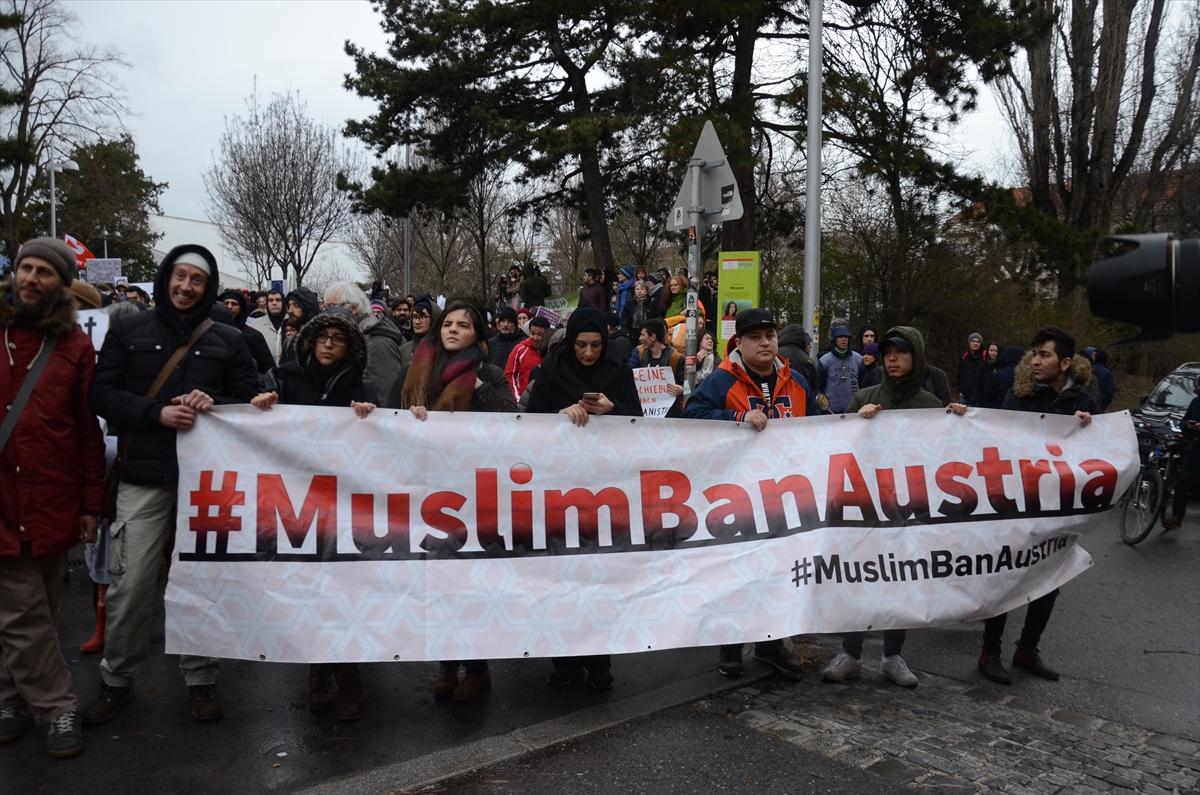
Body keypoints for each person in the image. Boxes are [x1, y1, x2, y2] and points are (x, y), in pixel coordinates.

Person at [86, 245, 260, 726]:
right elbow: (101, 394)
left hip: (206, 484)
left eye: (196, 280)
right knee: (131, 583)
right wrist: (155, 413)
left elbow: (252, 399)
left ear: (208, 287)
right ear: (165, 278)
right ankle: (116, 680)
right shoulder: (128, 330)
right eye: (179, 276)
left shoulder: (230, 338)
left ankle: (201, 678)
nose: (186, 287)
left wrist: (215, 402)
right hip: (143, 476)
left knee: (202, 580)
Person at [0, 237, 106, 758]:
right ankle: (58, 705)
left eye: (44, 271)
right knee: (21, 609)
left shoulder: (73, 346)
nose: (30, 278)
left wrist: (90, 503)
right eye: (26, 267)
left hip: (53, 496)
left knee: (40, 605)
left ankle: (8, 697)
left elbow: (86, 430)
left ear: (62, 285)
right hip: (2, 499)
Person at [821, 327, 967, 689]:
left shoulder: (930, 406)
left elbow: (948, 455)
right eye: (888, 352)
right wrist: (856, 422)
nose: (892, 358)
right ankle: (851, 653)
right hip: (865, 507)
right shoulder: (864, 398)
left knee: (900, 579)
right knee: (858, 577)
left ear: (916, 356)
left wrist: (961, 422)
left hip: (908, 510)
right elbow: (838, 447)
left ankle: (892, 656)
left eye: (901, 352)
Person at [386, 301, 516, 702]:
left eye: (464, 324)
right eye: (448, 324)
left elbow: (514, 419)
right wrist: (406, 418)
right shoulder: (414, 372)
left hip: (472, 493)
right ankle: (445, 663)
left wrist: (478, 389)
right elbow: (386, 422)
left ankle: (476, 667)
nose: (454, 329)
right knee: (436, 582)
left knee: (468, 583)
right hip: (426, 491)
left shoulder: (488, 374)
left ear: (478, 335)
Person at [250, 308, 376, 721]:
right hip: (295, 504)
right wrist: (262, 405)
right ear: (309, 341)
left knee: (341, 591)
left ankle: (349, 677)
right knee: (306, 589)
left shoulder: (361, 388)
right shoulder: (284, 380)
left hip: (344, 505)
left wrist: (372, 417)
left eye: (338, 339)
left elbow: (385, 442)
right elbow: (255, 423)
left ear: (350, 348)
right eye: (322, 337)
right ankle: (318, 671)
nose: (328, 344)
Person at [685, 308, 820, 679]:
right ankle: (731, 646)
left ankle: (770, 644)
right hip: (737, 497)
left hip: (785, 496)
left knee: (776, 572)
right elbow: (691, 417)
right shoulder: (721, 380)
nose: (765, 343)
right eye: (756, 337)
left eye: (770, 335)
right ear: (739, 343)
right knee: (736, 572)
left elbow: (819, 429)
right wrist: (736, 419)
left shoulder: (796, 381)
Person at [525, 307, 641, 691]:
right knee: (561, 578)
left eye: (595, 345)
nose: (588, 353)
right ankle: (565, 661)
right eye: (581, 345)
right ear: (570, 343)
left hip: (604, 489)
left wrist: (613, 411)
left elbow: (640, 425)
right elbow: (528, 424)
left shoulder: (619, 370)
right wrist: (559, 418)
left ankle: (599, 662)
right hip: (560, 489)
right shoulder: (551, 369)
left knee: (599, 578)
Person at [978, 325, 1095, 685]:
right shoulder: (1018, 397)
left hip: (1058, 506)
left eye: (1044, 355)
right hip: (1017, 502)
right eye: (1034, 354)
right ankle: (989, 652)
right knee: (1006, 577)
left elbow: (1095, 455)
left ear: (1065, 363)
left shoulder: (1083, 403)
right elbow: (1002, 443)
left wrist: (1088, 428)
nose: (1035, 361)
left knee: (1049, 579)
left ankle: (1027, 650)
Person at [322, 281, 406, 404]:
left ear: (354, 308)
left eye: (331, 307)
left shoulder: (376, 342)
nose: (326, 314)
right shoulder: (356, 337)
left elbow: (384, 396)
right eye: (325, 308)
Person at [1163, 374, 1200, 529]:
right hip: (1194, 448)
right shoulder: (1196, 402)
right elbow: (1183, 421)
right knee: (1183, 480)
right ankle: (1177, 516)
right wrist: (1188, 426)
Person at [634, 318, 685, 417]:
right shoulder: (640, 354)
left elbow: (689, 386)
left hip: (670, 416)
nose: (640, 338)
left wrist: (682, 389)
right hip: (644, 415)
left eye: (643, 335)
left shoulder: (676, 358)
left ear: (653, 337)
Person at [217, 289, 275, 374]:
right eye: (226, 303)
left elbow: (267, 367)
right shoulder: (212, 333)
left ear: (241, 308)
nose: (229, 307)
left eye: (234, 304)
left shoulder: (254, 336)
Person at [818, 324, 864, 414]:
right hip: (831, 410)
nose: (844, 339)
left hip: (854, 408)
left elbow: (862, 382)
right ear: (834, 339)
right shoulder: (824, 361)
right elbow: (820, 386)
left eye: (846, 337)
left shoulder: (858, 359)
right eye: (840, 337)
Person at [505, 315, 551, 401]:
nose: (535, 338)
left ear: (547, 334)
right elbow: (509, 375)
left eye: (540, 334)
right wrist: (517, 398)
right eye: (532, 333)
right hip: (522, 401)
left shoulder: (552, 352)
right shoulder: (519, 349)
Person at [280, 287, 320, 363]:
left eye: (296, 305)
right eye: (289, 305)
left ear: (307, 308)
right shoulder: (290, 340)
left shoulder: (320, 339)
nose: (290, 310)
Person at [247, 287, 286, 361]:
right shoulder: (255, 326)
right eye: (270, 300)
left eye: (278, 300)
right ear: (267, 304)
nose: (274, 303)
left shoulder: (293, 323)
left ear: (283, 302)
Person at [398, 294, 436, 368]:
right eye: (415, 317)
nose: (417, 322)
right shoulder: (404, 350)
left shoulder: (442, 349)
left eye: (423, 317)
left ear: (433, 319)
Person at [777, 324, 818, 392]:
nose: (810, 347)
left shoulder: (774, 355)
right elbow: (813, 390)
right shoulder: (807, 361)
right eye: (808, 344)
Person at [957, 332, 987, 406]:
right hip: (964, 395)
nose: (975, 343)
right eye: (973, 341)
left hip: (978, 397)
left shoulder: (984, 357)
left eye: (978, 342)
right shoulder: (964, 357)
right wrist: (960, 390)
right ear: (969, 343)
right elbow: (960, 374)